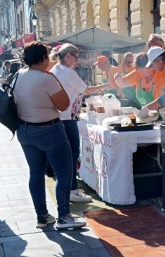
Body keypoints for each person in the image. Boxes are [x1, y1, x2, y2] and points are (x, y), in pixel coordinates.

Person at [13, 41, 87, 229]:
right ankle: (64, 216)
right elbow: (63, 105)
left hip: (25, 130)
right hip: (49, 129)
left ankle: (42, 216)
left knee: (36, 174)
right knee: (64, 172)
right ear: (44, 58)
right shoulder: (46, 78)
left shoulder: (18, 75)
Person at [49, 43, 111, 203]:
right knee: (72, 154)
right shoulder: (67, 72)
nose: (77, 61)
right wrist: (106, 85)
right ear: (68, 56)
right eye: (76, 58)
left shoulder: (55, 69)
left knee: (68, 155)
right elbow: (86, 90)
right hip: (66, 119)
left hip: (59, 117)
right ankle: (71, 190)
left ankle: (72, 188)